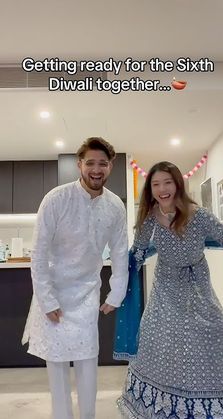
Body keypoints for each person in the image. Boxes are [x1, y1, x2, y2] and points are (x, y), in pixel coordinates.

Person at [116, 161, 223, 418]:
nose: (162, 189)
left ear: (178, 184)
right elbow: (136, 252)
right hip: (166, 288)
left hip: (198, 286)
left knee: (216, 333)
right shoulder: (149, 218)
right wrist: (116, 281)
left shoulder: (199, 215)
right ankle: (163, 406)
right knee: (160, 340)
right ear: (150, 190)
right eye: (156, 184)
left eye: (167, 182)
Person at [22, 137, 129, 419]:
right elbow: (39, 253)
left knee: (87, 363)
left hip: (87, 294)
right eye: (90, 163)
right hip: (54, 291)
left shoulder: (116, 206)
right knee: (57, 368)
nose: (96, 169)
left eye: (102, 164)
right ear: (79, 164)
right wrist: (46, 298)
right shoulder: (56, 199)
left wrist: (116, 293)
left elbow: (120, 252)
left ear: (111, 166)